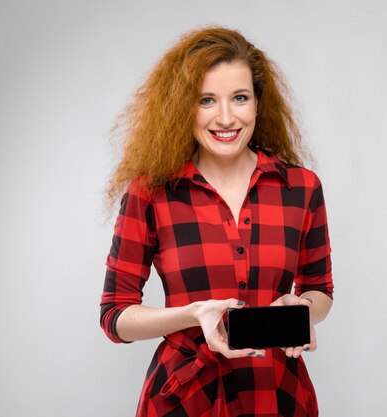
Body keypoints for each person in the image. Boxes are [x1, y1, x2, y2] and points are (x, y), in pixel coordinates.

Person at [100, 26, 334, 417]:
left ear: (258, 103)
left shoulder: (301, 188)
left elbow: (320, 289)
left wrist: (302, 308)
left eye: (239, 98)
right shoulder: (151, 193)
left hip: (277, 395)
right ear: (183, 107)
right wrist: (192, 315)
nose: (226, 117)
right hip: (184, 397)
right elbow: (115, 315)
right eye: (206, 100)